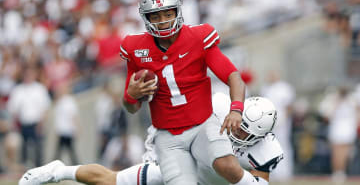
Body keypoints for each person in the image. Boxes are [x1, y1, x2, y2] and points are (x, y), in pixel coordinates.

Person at [120, 0, 246, 185]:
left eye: (168, 14)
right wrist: (130, 95)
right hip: (167, 138)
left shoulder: (198, 37)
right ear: (146, 18)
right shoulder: (135, 48)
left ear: (178, 11)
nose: (163, 21)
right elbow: (131, 108)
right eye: (155, 16)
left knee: (228, 166)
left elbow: (233, 77)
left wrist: (236, 110)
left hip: (203, 125)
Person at [19, 93, 283, 185]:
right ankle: (57, 171)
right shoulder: (215, 106)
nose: (236, 130)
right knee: (112, 180)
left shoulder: (267, 150)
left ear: (261, 135)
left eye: (244, 131)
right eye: (237, 123)